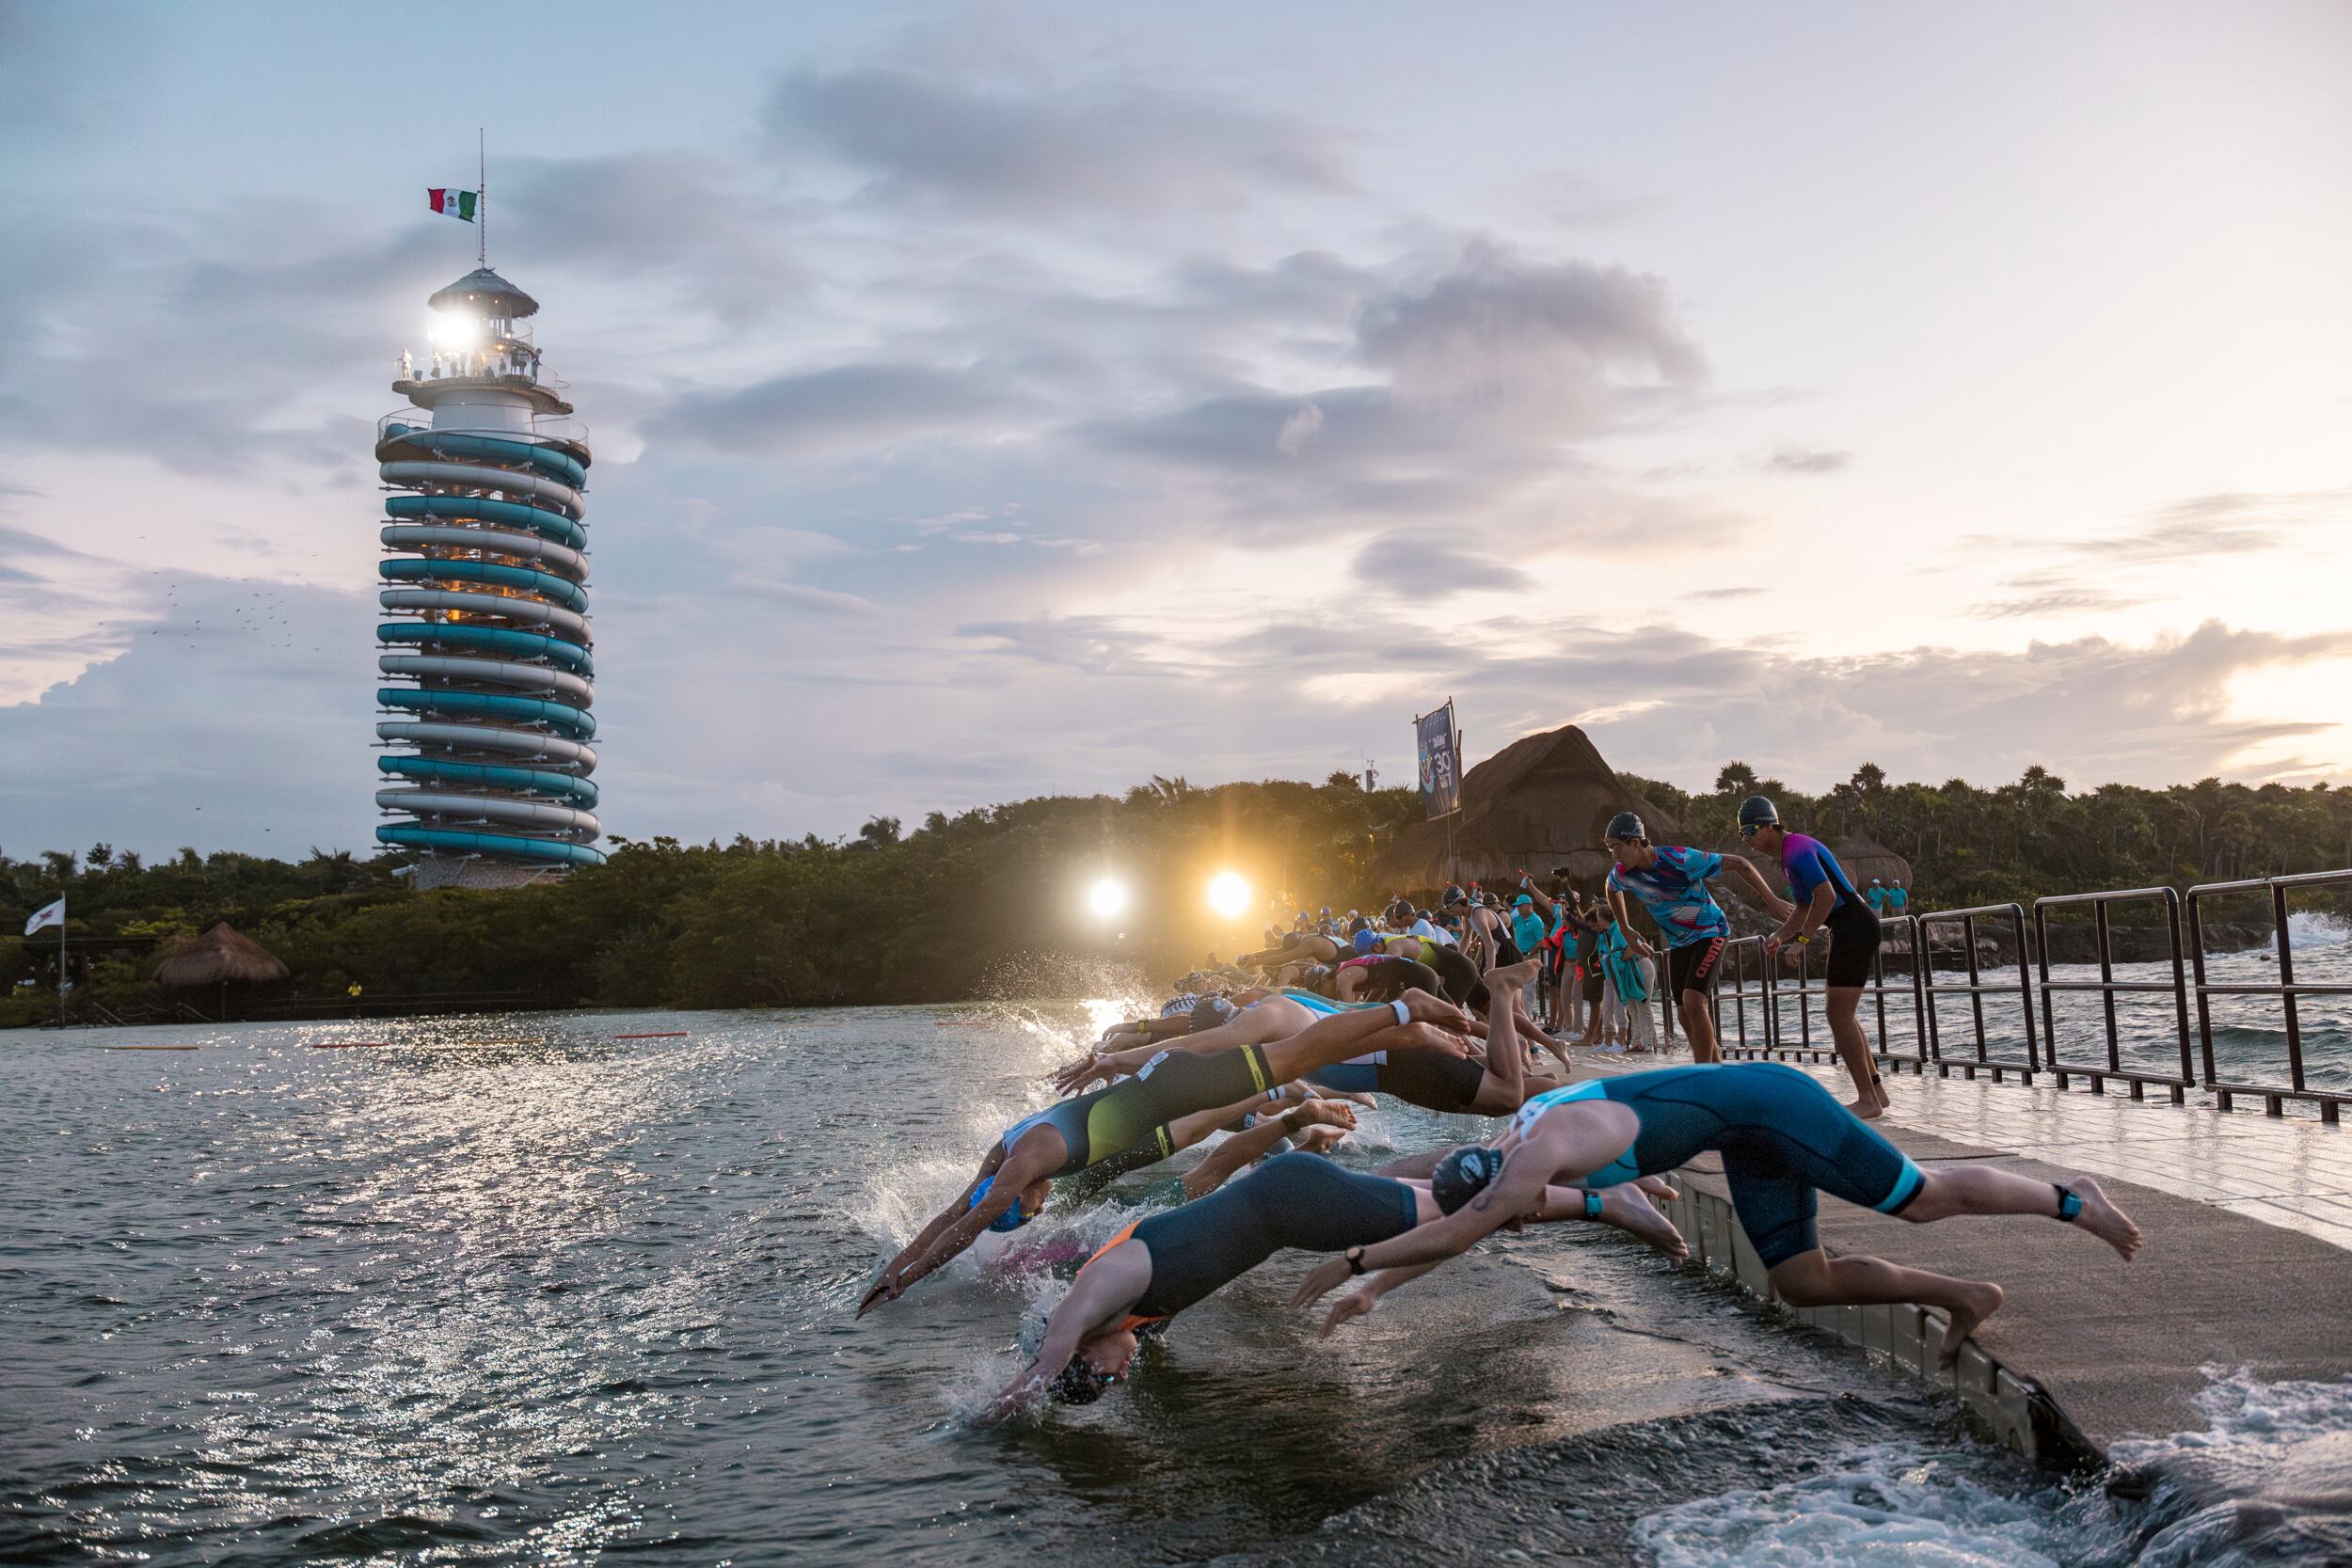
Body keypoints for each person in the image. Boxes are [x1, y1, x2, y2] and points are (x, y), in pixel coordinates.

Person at [986, 993, 1685, 1414]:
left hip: (1295, 1203)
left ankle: (1607, 1200)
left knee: (1460, 1213)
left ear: (1081, 1350)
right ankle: (1572, 1168)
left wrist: (994, 1409)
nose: (1119, 1377)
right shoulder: (1126, 1314)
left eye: (1100, 1378)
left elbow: (1049, 1353)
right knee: (1433, 1176)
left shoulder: (1097, 1289)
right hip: (1293, 1198)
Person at [1289, 1060, 2143, 1366]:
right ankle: (1965, 1295)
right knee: (1802, 1282)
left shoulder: (1539, 1151)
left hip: (1773, 1104)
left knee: (1920, 1198)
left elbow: (1465, 1225)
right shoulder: (1509, 1152)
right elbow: (1459, 1217)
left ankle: (2073, 1198)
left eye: (1514, 1215)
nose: (1519, 1222)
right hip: (1744, 1131)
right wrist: (1380, 1287)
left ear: (1500, 1188)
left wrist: (1362, 1267)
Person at [859, 990, 1472, 1314]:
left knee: (1297, 1053)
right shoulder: (1011, 1148)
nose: (1036, 1209)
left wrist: (912, 1280)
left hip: (1176, 1090)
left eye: (1027, 1209)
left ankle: (1405, 1012)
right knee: (1297, 1056)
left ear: (1020, 1189)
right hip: (1160, 1081)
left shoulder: (1026, 1161)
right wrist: (895, 1272)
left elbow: (970, 1223)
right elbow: (952, 1213)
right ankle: (1400, 1025)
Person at [1739, 795, 1890, 1117]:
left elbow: (1827, 896)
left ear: (1768, 825)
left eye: (1749, 831)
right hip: (1849, 926)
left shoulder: (1797, 850)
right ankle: (1875, 1092)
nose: (1747, 839)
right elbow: (1805, 906)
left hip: (1854, 925)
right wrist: (1780, 936)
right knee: (1842, 1014)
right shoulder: (1788, 856)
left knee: (1839, 1015)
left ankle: (1867, 1100)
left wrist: (1803, 941)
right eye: (1742, 834)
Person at [1600, 812, 1790, 1064]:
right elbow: (1610, 888)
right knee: (1682, 1014)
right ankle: (1715, 1066)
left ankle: (1704, 1072)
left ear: (1635, 842)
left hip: (1711, 932)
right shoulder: (1624, 873)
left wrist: (1772, 900)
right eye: (1610, 848)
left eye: (1617, 847)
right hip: (1680, 942)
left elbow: (1739, 863)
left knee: (1693, 1000)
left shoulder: (1681, 859)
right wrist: (1625, 928)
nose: (1614, 854)